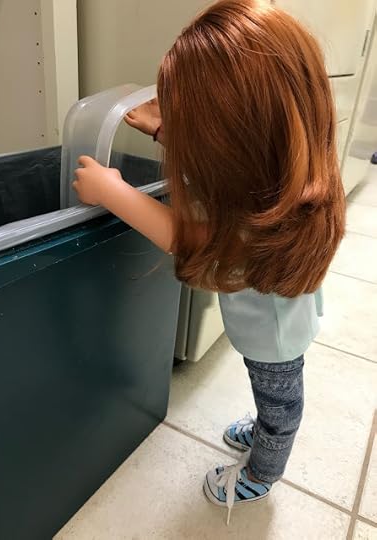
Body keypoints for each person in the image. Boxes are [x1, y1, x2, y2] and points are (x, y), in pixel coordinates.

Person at [73, 0, 346, 525]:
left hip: (273, 342)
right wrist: (163, 128)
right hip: (273, 323)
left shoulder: (258, 220)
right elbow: (212, 167)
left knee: (280, 407)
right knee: (273, 401)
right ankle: (263, 434)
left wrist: (113, 192)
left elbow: (187, 239)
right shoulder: (277, 179)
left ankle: (263, 471)